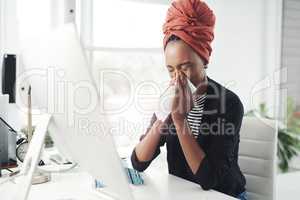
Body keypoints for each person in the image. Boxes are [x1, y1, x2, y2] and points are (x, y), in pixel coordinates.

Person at [131, 0, 247, 199]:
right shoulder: (171, 98)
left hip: (223, 195)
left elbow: (209, 179)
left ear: (203, 59)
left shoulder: (229, 103)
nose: (178, 77)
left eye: (185, 67)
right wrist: (162, 118)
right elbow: (138, 163)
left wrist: (179, 120)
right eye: (170, 69)